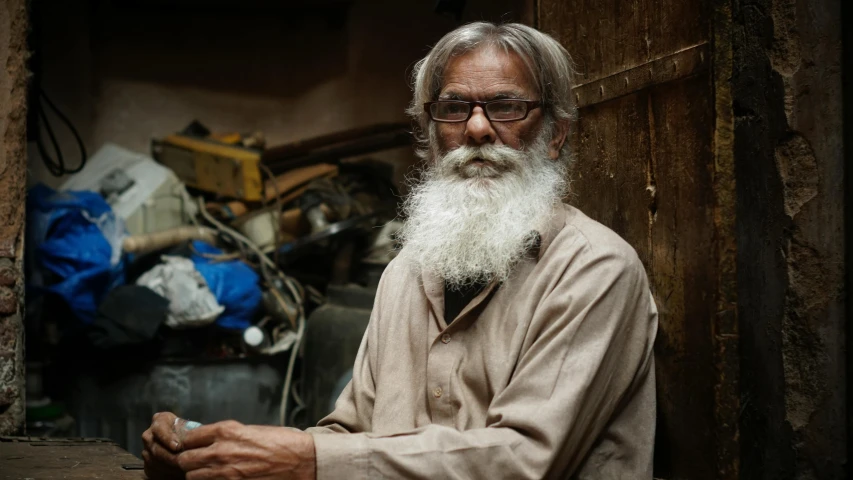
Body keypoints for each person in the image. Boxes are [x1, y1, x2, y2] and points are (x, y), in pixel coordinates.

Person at [142, 21, 658, 480]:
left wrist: (307, 461)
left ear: (554, 135)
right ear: (433, 136)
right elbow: (351, 434)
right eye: (455, 109)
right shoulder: (406, 273)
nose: (477, 129)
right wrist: (217, 451)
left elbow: (524, 459)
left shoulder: (594, 269)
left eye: (506, 106)